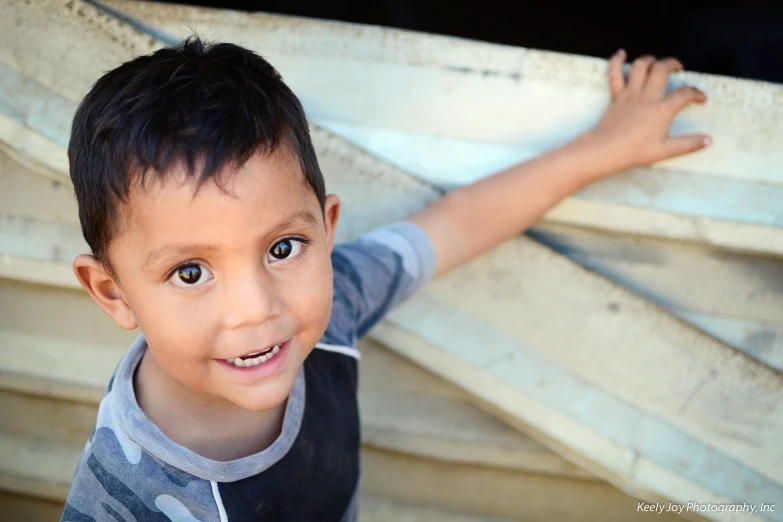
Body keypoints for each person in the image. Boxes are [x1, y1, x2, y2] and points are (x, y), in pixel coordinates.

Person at [62, 37, 709, 522]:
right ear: (112, 292)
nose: (255, 309)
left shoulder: (332, 302)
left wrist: (604, 147)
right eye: (191, 271)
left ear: (327, 226)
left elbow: (451, 227)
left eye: (283, 247)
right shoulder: (124, 497)